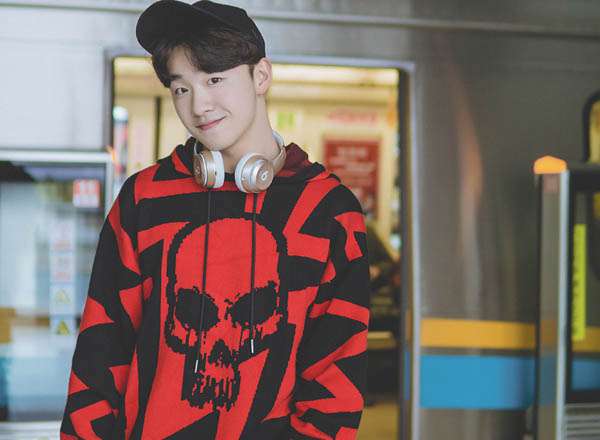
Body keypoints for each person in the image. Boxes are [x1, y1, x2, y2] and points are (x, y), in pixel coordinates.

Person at [60, 1, 370, 438]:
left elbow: (335, 382)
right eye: (181, 88)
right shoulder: (144, 199)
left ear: (261, 76)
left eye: (214, 79)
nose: (199, 105)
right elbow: (99, 354)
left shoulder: (328, 211)